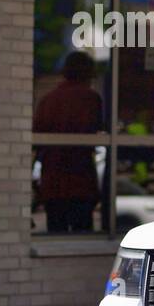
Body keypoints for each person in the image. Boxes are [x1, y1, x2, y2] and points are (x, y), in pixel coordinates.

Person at [34, 51, 104, 233]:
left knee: (56, 236)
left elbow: (37, 139)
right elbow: (95, 129)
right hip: (81, 181)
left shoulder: (48, 100)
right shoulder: (90, 99)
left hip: (53, 183)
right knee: (83, 236)